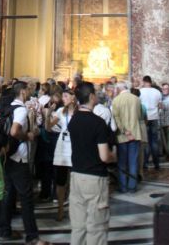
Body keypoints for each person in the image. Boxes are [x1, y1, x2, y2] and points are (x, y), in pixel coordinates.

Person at [68, 81, 117, 245]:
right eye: (95, 93)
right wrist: (114, 157)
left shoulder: (73, 120)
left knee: (78, 226)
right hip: (94, 178)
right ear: (91, 97)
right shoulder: (98, 123)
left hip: (76, 175)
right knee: (97, 226)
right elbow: (104, 156)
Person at [0, 81, 41, 244]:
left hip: (7, 156)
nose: (30, 92)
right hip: (19, 158)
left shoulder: (8, 107)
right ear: (22, 92)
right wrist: (27, 136)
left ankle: (4, 230)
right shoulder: (21, 109)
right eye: (28, 89)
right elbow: (14, 131)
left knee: (9, 195)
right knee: (26, 198)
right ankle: (32, 236)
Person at [50, 87, 77, 221]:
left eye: (66, 96)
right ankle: (60, 207)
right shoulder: (61, 111)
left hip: (75, 146)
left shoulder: (79, 112)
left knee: (74, 179)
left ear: (73, 98)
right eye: (63, 96)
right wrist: (47, 114)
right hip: (62, 147)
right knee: (60, 180)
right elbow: (49, 126)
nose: (63, 99)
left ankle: (73, 207)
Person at [112, 81, 142, 193]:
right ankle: (132, 187)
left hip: (122, 135)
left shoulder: (116, 100)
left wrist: (125, 131)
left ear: (119, 89)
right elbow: (139, 115)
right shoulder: (136, 99)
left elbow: (116, 118)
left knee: (122, 162)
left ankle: (123, 186)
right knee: (133, 162)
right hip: (135, 134)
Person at [139, 75, 162, 170]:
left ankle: (145, 163)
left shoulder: (140, 91)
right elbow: (160, 106)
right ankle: (156, 163)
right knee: (154, 141)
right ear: (150, 82)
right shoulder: (157, 92)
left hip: (145, 118)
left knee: (146, 141)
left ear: (144, 82)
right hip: (154, 117)